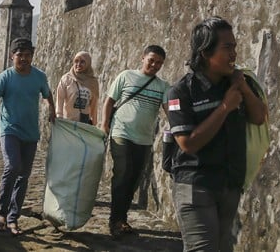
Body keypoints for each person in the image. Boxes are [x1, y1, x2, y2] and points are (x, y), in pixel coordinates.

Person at [166, 17, 267, 251]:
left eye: (235, 47)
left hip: (229, 184)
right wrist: (225, 107)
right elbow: (187, 144)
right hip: (196, 185)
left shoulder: (237, 82)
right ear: (205, 53)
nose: (234, 54)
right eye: (227, 48)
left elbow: (259, 117)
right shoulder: (179, 92)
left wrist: (242, 88)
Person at [0, 38, 55, 236]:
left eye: (28, 55)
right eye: (20, 55)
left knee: (23, 176)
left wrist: (51, 107)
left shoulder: (39, 77)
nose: (24, 59)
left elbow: (47, 94)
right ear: (12, 56)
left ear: (32, 56)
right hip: (9, 131)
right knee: (12, 166)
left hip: (30, 134)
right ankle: (2, 213)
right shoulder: (5, 78)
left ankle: (13, 218)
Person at [100, 44, 170, 239]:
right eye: (152, 60)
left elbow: (169, 110)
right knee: (123, 173)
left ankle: (122, 218)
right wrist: (104, 124)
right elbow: (109, 101)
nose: (155, 65)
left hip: (145, 139)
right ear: (143, 58)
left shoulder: (163, 86)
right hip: (121, 133)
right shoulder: (126, 76)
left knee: (134, 179)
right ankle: (115, 220)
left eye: (159, 63)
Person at [55, 51, 99, 125]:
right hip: (68, 123)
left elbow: (94, 105)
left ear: (88, 63)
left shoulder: (93, 82)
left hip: (84, 125)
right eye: (76, 61)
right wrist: (59, 116)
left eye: (82, 62)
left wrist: (94, 123)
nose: (78, 64)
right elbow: (60, 99)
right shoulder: (66, 79)